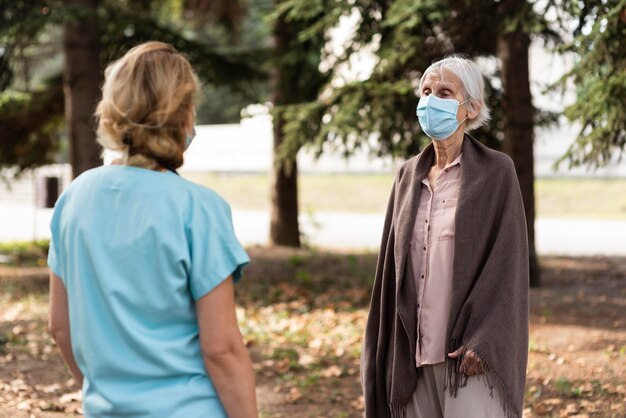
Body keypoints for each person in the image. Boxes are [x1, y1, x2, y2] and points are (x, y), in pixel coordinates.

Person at [47, 41, 258, 418]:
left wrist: (109, 395)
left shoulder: (74, 198)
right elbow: (221, 349)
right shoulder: (199, 209)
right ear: (183, 115)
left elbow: (60, 328)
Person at [361, 55, 529, 418]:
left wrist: (485, 338)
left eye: (444, 92)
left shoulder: (497, 172)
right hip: (412, 354)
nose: (430, 101)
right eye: (425, 91)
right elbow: (391, 272)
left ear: (471, 108)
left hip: (467, 354)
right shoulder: (407, 175)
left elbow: (508, 263)